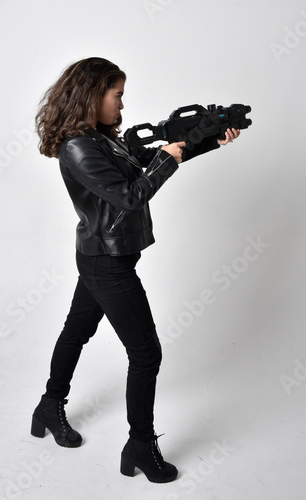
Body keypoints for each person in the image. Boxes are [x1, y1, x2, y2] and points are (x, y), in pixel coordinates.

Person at [31, 57, 240, 483]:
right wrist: (167, 158)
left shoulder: (102, 139)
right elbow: (130, 196)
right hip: (106, 263)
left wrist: (211, 140)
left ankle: (47, 409)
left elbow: (150, 158)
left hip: (103, 255)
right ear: (92, 95)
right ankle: (140, 447)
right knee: (146, 354)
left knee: (77, 330)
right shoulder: (78, 146)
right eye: (117, 95)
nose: (122, 104)